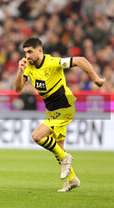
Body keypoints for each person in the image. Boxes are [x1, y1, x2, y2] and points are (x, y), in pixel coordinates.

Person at [14, 37, 105, 192]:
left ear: (40, 51)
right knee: (59, 148)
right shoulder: (28, 67)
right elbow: (17, 89)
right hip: (51, 111)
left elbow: (80, 60)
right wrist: (20, 71)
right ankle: (72, 180)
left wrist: (96, 79)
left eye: (30, 51)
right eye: (25, 52)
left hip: (65, 107)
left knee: (37, 136)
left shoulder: (52, 63)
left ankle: (66, 158)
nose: (27, 55)